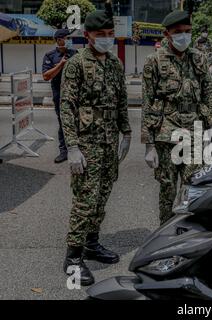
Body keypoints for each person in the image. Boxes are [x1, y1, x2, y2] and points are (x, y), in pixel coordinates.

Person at [60, 1, 132, 286]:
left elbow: (122, 101)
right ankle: (73, 258)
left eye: (109, 32)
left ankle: (91, 243)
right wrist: (73, 147)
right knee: (84, 202)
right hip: (87, 144)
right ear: (88, 35)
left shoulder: (114, 63)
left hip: (108, 143)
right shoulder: (77, 63)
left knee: (102, 197)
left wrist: (126, 133)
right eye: (100, 33)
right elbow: (67, 106)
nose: (106, 38)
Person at [141, 10, 212, 225]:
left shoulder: (199, 58)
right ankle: (165, 231)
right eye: (178, 32)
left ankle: (190, 232)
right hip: (166, 132)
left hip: (194, 129)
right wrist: (149, 144)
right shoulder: (154, 61)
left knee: (194, 185)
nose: (184, 36)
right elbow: (147, 102)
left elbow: (208, 93)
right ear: (167, 34)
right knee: (167, 187)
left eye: (187, 31)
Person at [42, 29, 77, 163]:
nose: (69, 40)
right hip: (60, 94)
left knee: (78, 121)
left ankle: (78, 148)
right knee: (63, 122)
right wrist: (60, 65)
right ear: (58, 40)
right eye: (66, 38)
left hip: (76, 94)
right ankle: (64, 151)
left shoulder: (75, 54)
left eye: (69, 38)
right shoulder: (50, 55)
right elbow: (46, 76)